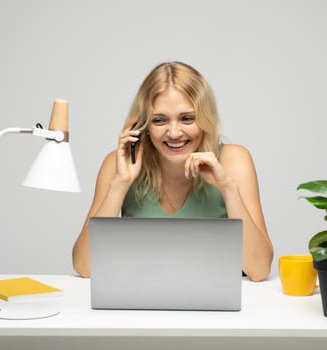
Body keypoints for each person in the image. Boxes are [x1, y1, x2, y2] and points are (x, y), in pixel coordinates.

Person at [72, 61, 273, 281]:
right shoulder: (118, 164)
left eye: (187, 118)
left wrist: (227, 188)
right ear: (143, 125)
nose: (174, 133)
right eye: (159, 120)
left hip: (215, 309)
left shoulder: (234, 160)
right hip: (142, 300)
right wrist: (120, 184)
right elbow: (85, 266)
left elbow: (259, 269)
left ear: (205, 119)